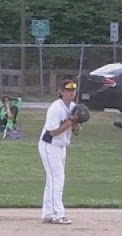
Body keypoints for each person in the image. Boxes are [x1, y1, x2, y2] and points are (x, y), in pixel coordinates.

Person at [38, 80, 82, 225]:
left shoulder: (74, 107)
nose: (71, 93)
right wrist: (69, 122)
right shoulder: (55, 108)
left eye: (73, 90)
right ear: (61, 92)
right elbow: (52, 132)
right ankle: (58, 214)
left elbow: (76, 131)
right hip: (49, 145)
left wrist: (76, 123)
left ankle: (48, 213)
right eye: (68, 90)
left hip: (61, 147)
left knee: (52, 179)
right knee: (58, 178)